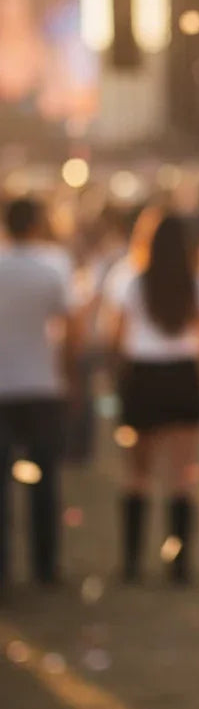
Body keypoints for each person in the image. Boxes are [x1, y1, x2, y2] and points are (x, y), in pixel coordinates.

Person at [106, 210, 199, 584]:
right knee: (183, 474)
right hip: (184, 376)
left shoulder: (128, 279)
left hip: (143, 375)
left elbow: (115, 337)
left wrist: (118, 380)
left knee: (136, 474)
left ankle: (131, 563)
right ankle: (179, 565)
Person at [0, 196, 79, 587]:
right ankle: (45, 565)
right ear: (36, 224)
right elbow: (69, 329)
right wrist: (67, 375)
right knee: (45, 481)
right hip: (42, 384)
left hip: (4, 385)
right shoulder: (52, 267)